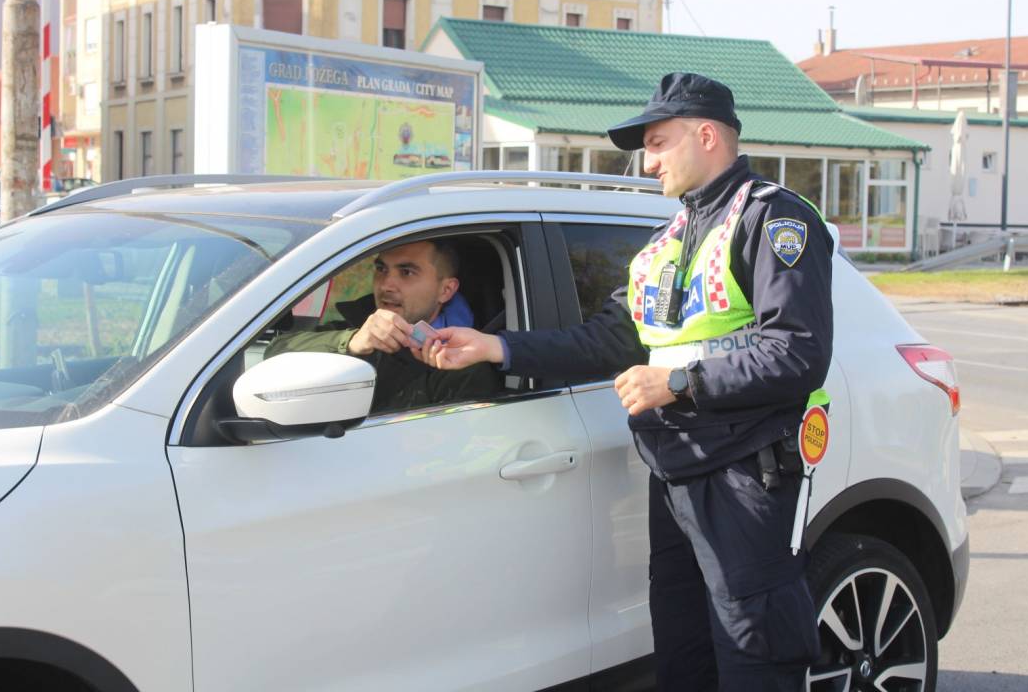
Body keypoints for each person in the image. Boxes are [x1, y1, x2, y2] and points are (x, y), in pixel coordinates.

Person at [419, 73, 833, 691]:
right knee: (683, 648)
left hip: (745, 471)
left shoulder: (772, 220)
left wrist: (680, 382)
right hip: (675, 471)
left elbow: (799, 353)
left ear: (707, 134)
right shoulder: (664, 243)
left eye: (659, 142)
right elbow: (607, 340)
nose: (647, 162)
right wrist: (495, 346)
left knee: (754, 652)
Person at [266, 239, 500, 414]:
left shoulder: (467, 362)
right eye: (381, 269)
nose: (386, 284)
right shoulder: (357, 325)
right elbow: (275, 353)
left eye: (406, 272)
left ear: (446, 290)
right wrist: (352, 342)